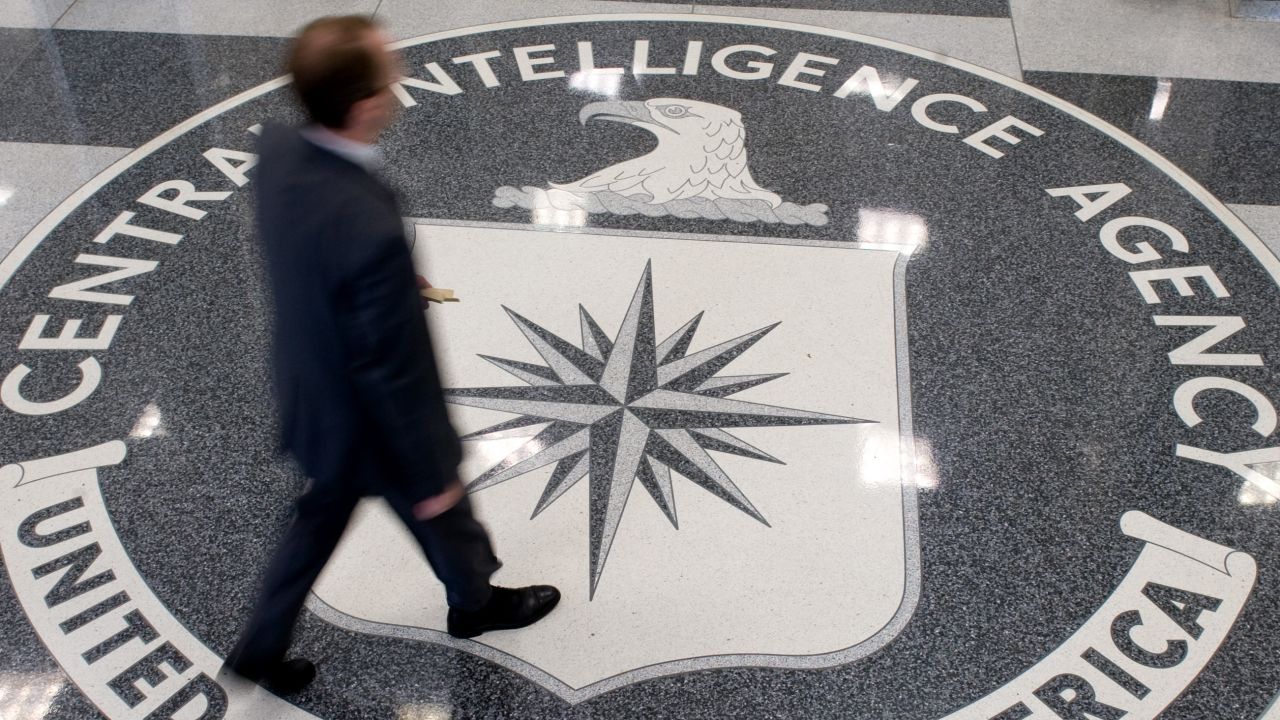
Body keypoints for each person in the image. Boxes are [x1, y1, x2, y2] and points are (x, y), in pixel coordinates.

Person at [226, 15, 560, 694]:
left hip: (311, 393)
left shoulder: (281, 150)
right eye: (388, 75)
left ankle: (259, 648)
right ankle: (476, 606)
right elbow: (391, 370)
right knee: (444, 509)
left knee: (316, 523)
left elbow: (309, 248)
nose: (399, 83)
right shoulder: (369, 232)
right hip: (371, 423)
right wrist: (431, 466)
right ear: (364, 105)